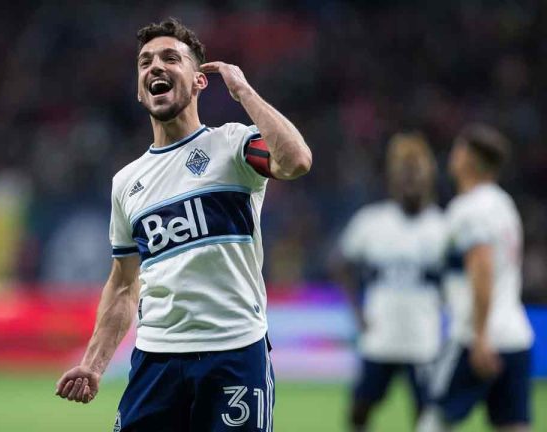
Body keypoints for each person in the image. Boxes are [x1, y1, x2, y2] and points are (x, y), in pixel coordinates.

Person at [54, 18, 311, 431]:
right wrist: (94, 364)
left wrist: (243, 92)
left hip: (234, 352)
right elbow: (123, 284)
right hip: (156, 361)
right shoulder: (127, 183)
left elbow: (296, 161)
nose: (155, 66)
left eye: (171, 58)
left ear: (198, 81)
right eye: (145, 62)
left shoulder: (234, 145)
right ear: (140, 91)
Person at [417, 124, 533, 432]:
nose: (452, 156)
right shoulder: (504, 205)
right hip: (516, 336)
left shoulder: (469, 209)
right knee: (513, 425)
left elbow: (482, 268)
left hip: (475, 338)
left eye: (458, 149)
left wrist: (481, 336)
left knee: (432, 422)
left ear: (469, 158)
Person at [336, 133, 445, 431]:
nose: (411, 182)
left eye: (416, 174)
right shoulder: (372, 222)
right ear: (393, 181)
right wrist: (357, 312)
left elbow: (456, 276)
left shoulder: (442, 227)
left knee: (427, 415)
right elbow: (340, 263)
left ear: (428, 179)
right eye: (404, 175)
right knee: (359, 409)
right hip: (380, 336)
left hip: (423, 340)